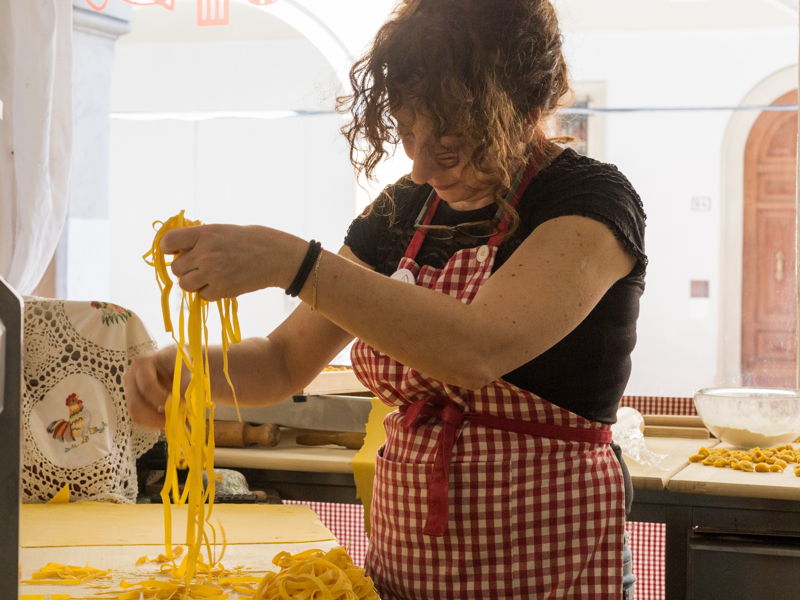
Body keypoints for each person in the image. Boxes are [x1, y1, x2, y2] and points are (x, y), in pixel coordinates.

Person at [123, 0, 646, 598]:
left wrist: (292, 262)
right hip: (406, 570)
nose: (421, 168)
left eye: (447, 145)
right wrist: (187, 370)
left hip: (552, 568)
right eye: (408, 136)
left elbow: (475, 350)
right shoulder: (404, 212)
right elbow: (282, 362)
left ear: (519, 107)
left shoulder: (589, 200)